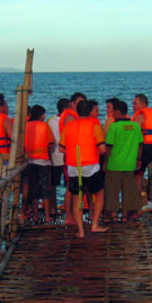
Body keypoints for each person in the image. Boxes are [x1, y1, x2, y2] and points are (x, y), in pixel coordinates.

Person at [59, 100, 107, 238]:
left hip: (74, 166)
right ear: (90, 111)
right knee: (99, 193)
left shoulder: (69, 126)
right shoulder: (94, 125)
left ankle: (80, 231)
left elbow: (61, 148)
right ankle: (95, 224)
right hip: (91, 165)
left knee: (77, 197)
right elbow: (103, 148)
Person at [104, 100, 143, 222]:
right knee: (129, 191)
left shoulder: (114, 127)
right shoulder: (135, 126)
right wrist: (138, 159)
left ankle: (114, 215)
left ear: (116, 111)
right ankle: (126, 215)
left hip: (114, 164)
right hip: (130, 164)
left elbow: (109, 146)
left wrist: (105, 161)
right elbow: (140, 145)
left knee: (112, 191)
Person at [58, 92, 86, 225]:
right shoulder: (70, 118)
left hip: (78, 156)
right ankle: (69, 216)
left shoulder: (76, 118)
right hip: (71, 157)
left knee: (76, 186)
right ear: (72, 104)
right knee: (71, 186)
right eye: (79, 103)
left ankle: (73, 215)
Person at [24, 105, 55, 223]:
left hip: (30, 161)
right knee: (45, 189)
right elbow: (51, 143)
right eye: (43, 114)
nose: (45, 116)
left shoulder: (26, 127)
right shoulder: (45, 126)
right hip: (43, 160)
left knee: (34, 189)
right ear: (40, 115)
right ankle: (47, 216)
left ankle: (36, 215)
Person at [131, 93, 152, 193]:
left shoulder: (140, 117)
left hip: (144, 148)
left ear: (143, 104)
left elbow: (133, 135)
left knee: (135, 173)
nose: (133, 106)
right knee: (140, 172)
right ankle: (144, 194)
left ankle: (136, 196)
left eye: (135, 103)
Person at [47, 98, 69, 216]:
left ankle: (53, 207)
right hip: (65, 157)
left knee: (53, 185)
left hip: (54, 156)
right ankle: (66, 206)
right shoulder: (69, 120)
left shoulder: (50, 121)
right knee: (69, 184)